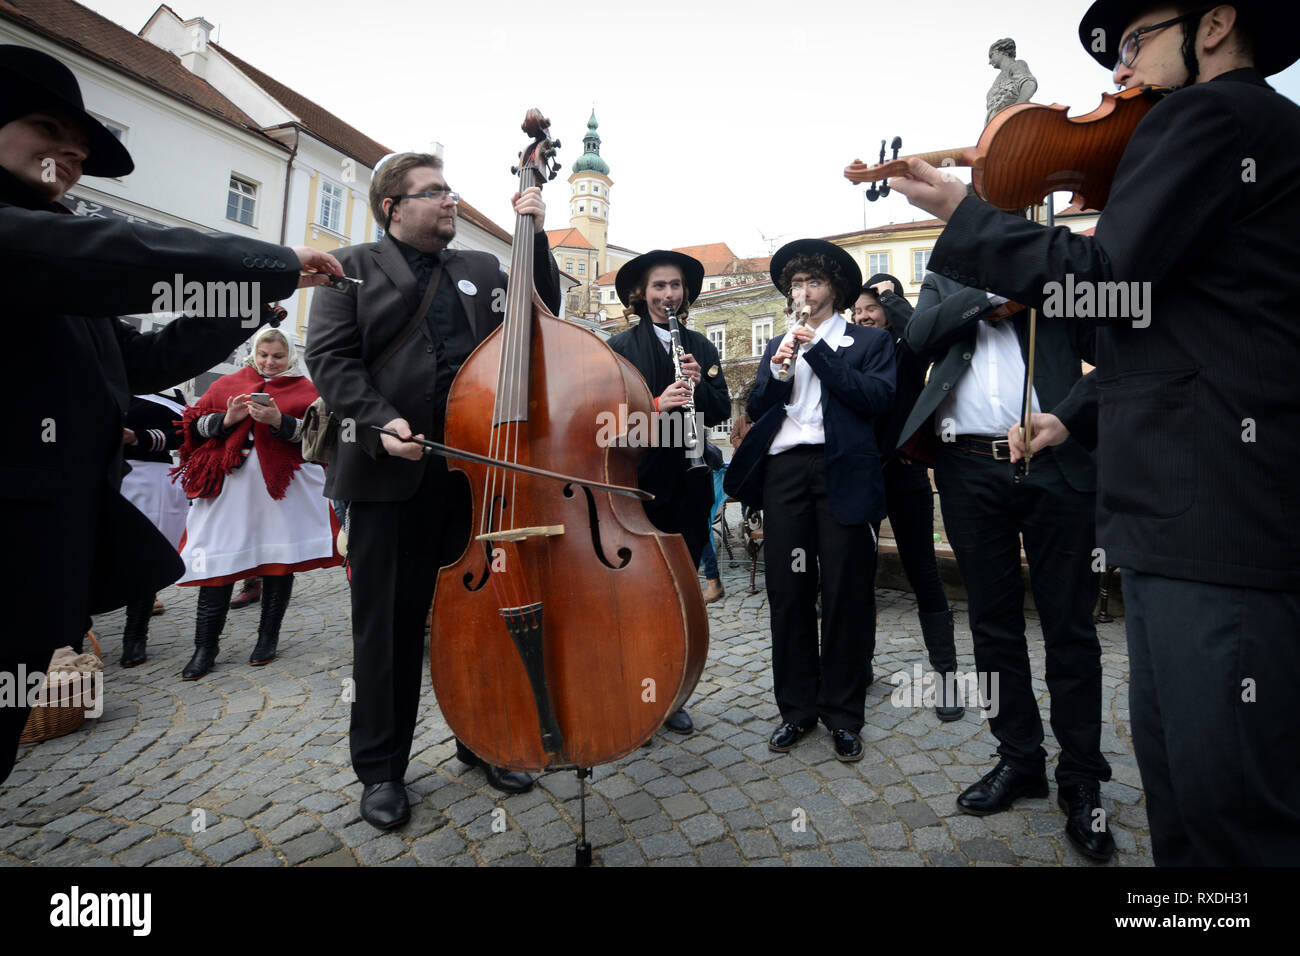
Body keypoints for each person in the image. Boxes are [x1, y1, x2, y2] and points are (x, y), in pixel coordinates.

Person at [890, 1, 1300, 865]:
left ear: (1216, 22)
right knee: (1185, 788)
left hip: (1215, 511)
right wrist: (1071, 412)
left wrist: (967, 213)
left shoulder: (1216, 113)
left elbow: (1106, 281)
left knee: (1225, 805)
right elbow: (1163, 328)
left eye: (1135, 42)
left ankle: (1087, 785)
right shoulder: (1220, 130)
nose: (1119, 72)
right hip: (1182, 512)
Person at [0, 44, 341, 785]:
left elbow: (144, 360)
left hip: (39, 556)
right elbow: (117, 249)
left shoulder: (56, 253)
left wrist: (242, 304)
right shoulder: (34, 238)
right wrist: (267, 259)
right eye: (43, 127)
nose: (68, 156)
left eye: (80, 150)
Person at [306, 151, 561, 830]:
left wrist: (536, 240)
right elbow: (330, 359)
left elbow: (538, 319)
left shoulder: (479, 268)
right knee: (387, 629)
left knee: (480, 622)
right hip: (390, 474)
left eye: (450, 191)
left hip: (477, 474)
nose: (450, 201)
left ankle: (483, 741)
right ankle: (383, 771)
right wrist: (382, 420)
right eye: (434, 192)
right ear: (393, 207)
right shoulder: (349, 268)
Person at [896, 270, 1109, 860]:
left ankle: (1082, 776)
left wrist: (1036, 287)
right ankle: (1020, 759)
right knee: (991, 624)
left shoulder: (1056, 268)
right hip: (967, 469)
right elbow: (919, 336)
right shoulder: (944, 279)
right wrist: (990, 297)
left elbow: (1119, 353)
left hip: (1056, 462)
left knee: (1069, 624)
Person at [726, 239, 895, 762]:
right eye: (796, 284)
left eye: (812, 282)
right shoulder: (779, 343)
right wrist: (778, 371)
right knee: (789, 591)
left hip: (841, 468)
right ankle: (796, 710)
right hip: (786, 471)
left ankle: (843, 714)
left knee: (846, 590)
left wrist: (817, 352)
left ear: (834, 291)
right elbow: (756, 407)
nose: (802, 291)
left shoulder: (867, 342)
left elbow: (876, 399)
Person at [607, 250, 732, 734]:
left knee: (681, 594)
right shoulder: (618, 347)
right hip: (642, 484)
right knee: (639, 596)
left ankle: (673, 690)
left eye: (675, 286)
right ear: (642, 294)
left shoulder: (699, 345)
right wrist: (657, 405)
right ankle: (636, 690)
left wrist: (699, 388)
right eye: (659, 286)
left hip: (692, 482)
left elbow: (719, 411)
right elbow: (607, 423)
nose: (668, 295)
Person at [172, 326, 340, 678]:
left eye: (278, 356)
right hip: (228, 491)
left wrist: (280, 422)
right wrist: (228, 419)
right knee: (217, 564)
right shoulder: (226, 384)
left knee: (278, 562)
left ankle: (267, 638)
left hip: (282, 493)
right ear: (253, 352)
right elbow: (194, 427)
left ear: (290, 356)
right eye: (264, 355)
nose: (270, 362)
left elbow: (318, 439)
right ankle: (205, 648)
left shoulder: (307, 391)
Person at [853, 276, 962, 722]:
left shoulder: (909, 349)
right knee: (857, 576)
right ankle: (858, 668)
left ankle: (948, 677)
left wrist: (890, 298)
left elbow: (923, 333)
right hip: (863, 477)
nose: (863, 316)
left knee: (923, 574)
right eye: (858, 309)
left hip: (905, 474)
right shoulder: (854, 351)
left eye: (872, 308)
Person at [117, 389, 189, 667]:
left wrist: (138, 437)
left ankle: (135, 636)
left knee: (146, 559)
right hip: (111, 472)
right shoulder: (115, 381)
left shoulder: (174, 394)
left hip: (157, 479)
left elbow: (183, 435)